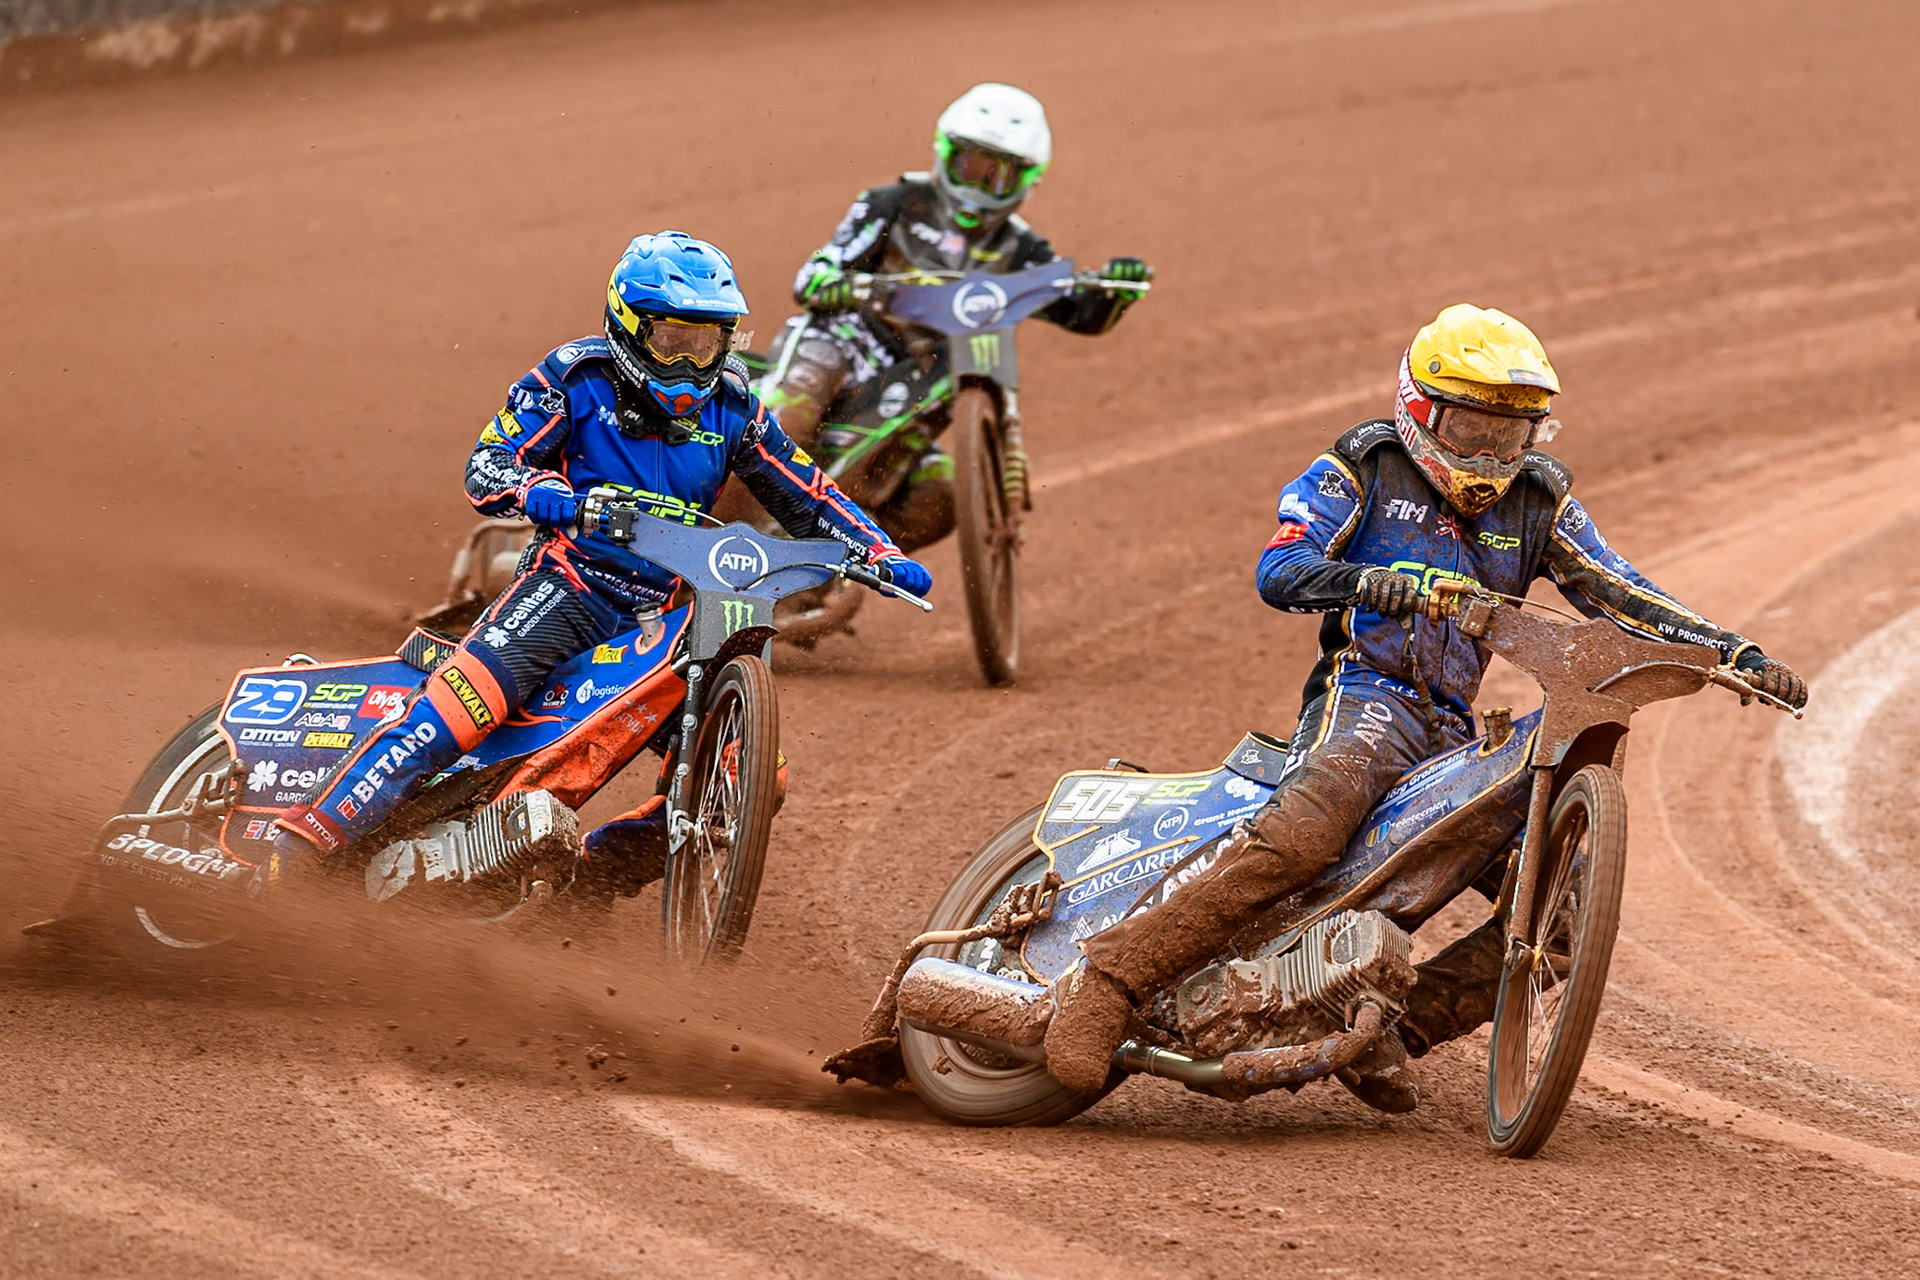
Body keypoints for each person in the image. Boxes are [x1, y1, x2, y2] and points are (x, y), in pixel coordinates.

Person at [1041, 303, 1809, 1107]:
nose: (1490, 455)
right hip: (1366, 696)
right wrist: (1367, 581)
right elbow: (1281, 569)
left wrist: (1736, 653)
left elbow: (1624, 591)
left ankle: (1394, 1031)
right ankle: (1109, 978)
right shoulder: (1363, 466)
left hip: (1452, 729)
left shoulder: (1539, 500)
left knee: (1569, 907)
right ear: (1420, 410)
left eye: (1511, 435)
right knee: (1308, 832)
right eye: (1472, 430)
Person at [267, 231, 931, 878]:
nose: (689, 364)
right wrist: (540, 491)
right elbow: (489, 464)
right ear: (629, 328)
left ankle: (595, 876)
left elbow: (809, 494)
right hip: (568, 587)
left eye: (706, 343)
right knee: (459, 711)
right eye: (671, 340)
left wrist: (877, 551)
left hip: (661, 618)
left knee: (752, 779)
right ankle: (301, 845)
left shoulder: (735, 409)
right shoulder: (575, 378)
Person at [750, 82, 1153, 551]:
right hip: (845, 339)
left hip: (924, 378)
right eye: (972, 167)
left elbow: (1079, 313)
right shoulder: (893, 202)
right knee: (788, 414)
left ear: (1027, 181)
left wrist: (1112, 294)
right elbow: (814, 275)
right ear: (946, 154)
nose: (979, 188)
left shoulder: (1020, 248)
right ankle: (723, 534)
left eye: (999, 177)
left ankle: (834, 564)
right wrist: (840, 285)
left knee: (941, 498)